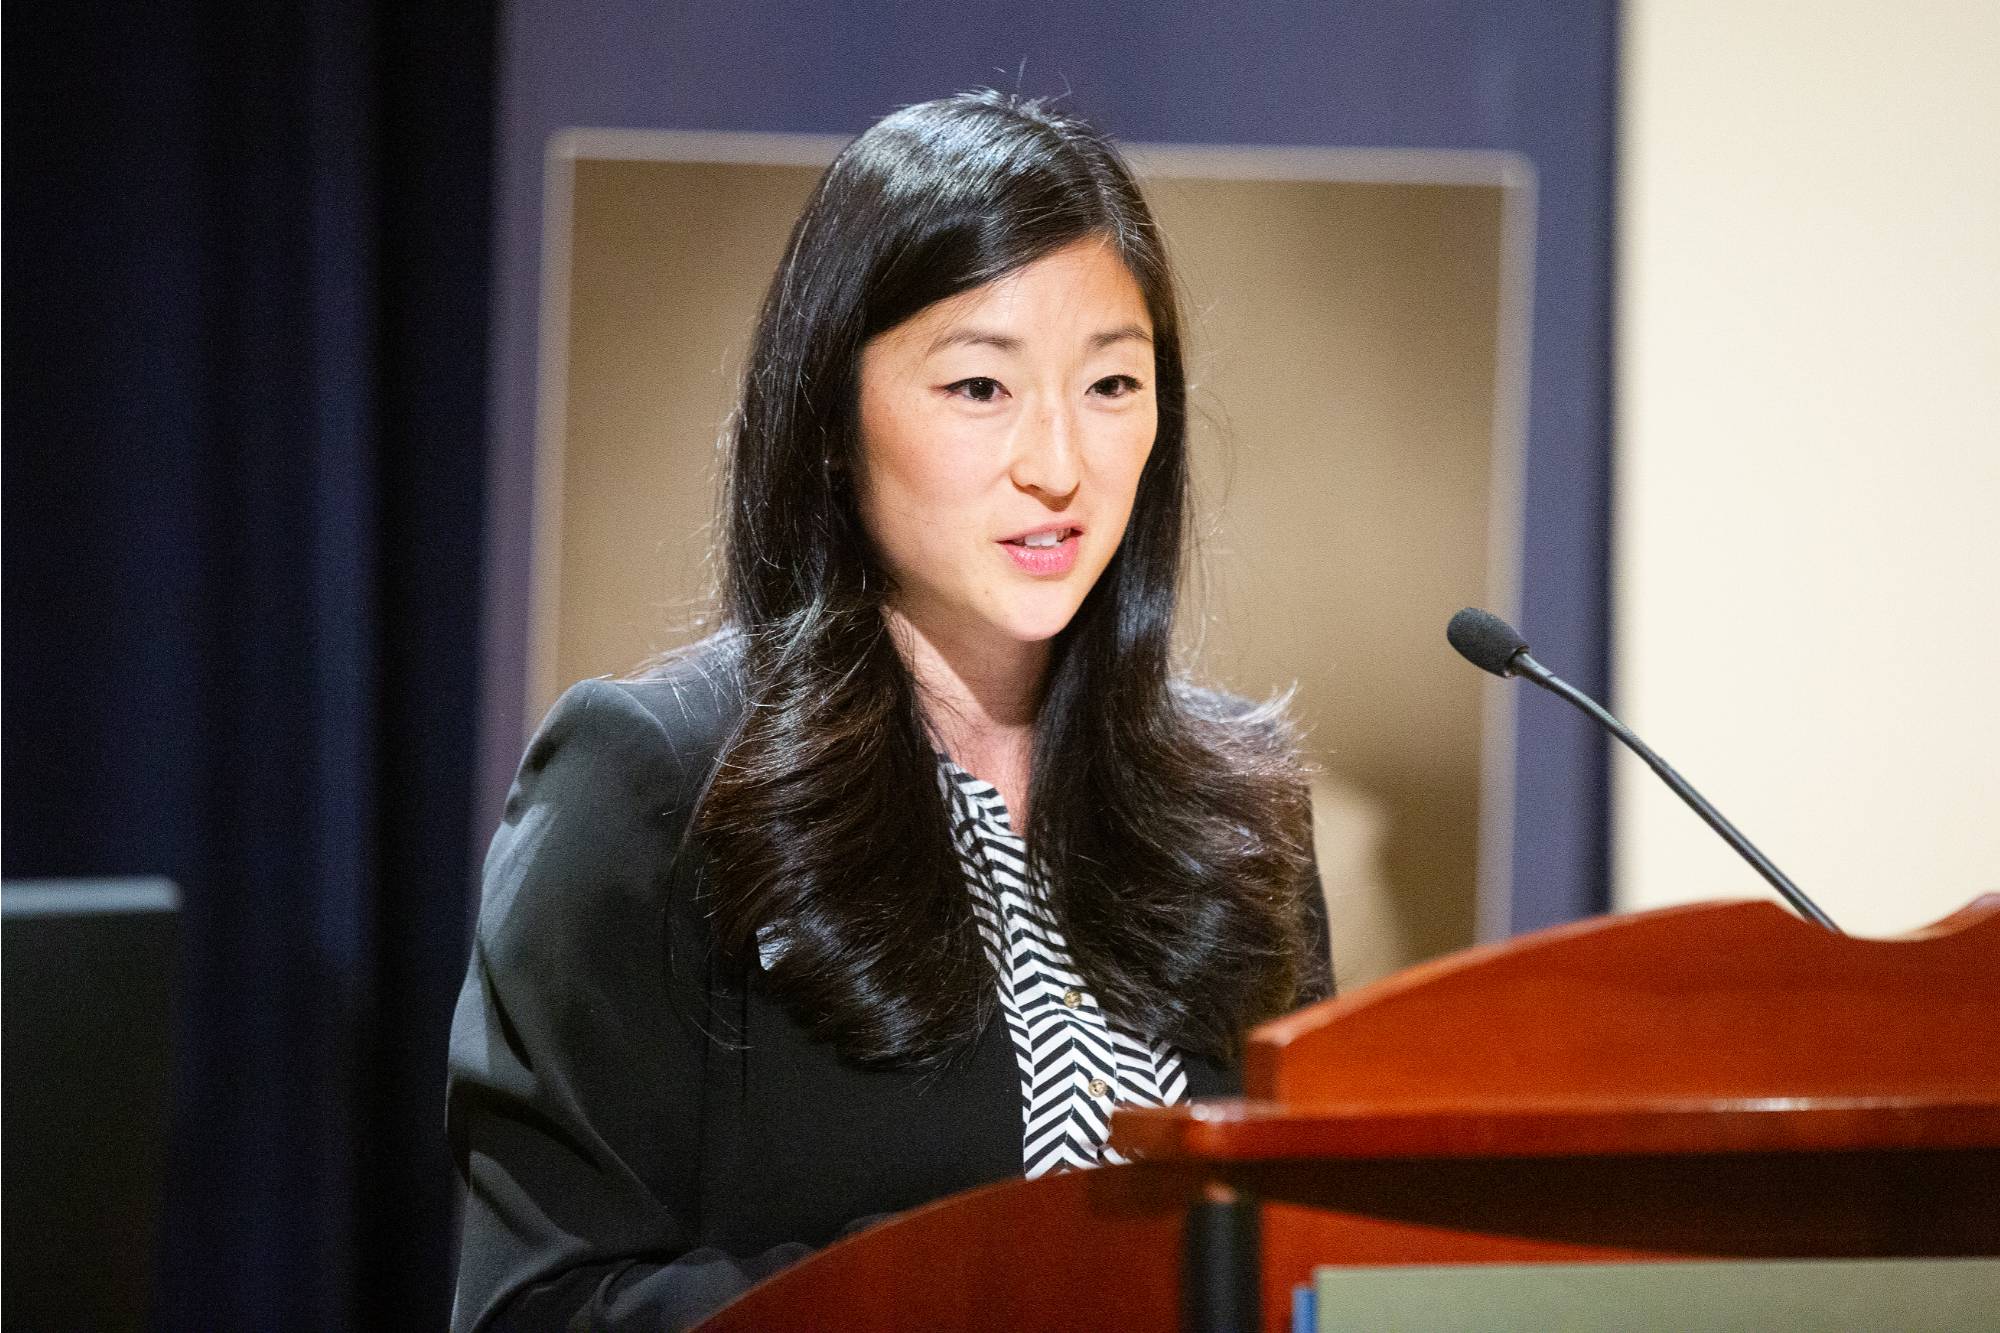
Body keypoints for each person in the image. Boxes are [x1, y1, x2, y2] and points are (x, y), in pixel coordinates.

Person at [446, 90, 1334, 1332]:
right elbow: (536, 1305)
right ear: (830, 419)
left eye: (1110, 383)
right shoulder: (650, 781)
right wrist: (970, 1283)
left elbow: (1307, 1248)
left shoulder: (1238, 814)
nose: (1057, 464)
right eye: (979, 386)